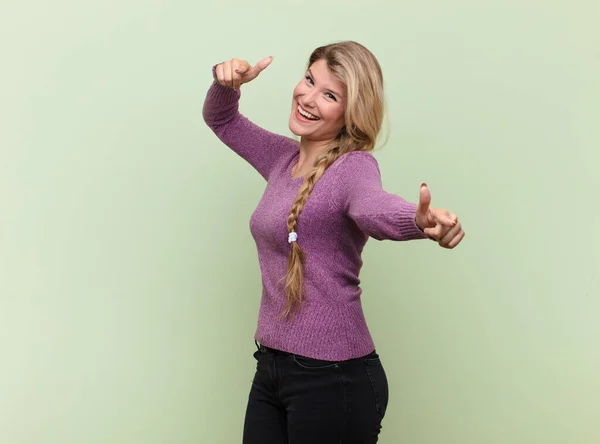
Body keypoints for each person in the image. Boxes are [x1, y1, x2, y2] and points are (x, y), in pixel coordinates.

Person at [202, 41, 465, 444]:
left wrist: (417, 220)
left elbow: (373, 207)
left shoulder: (353, 168)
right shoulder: (281, 159)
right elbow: (221, 119)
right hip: (272, 367)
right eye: (309, 80)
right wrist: (228, 84)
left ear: (350, 112)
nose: (308, 98)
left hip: (333, 378)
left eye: (329, 95)